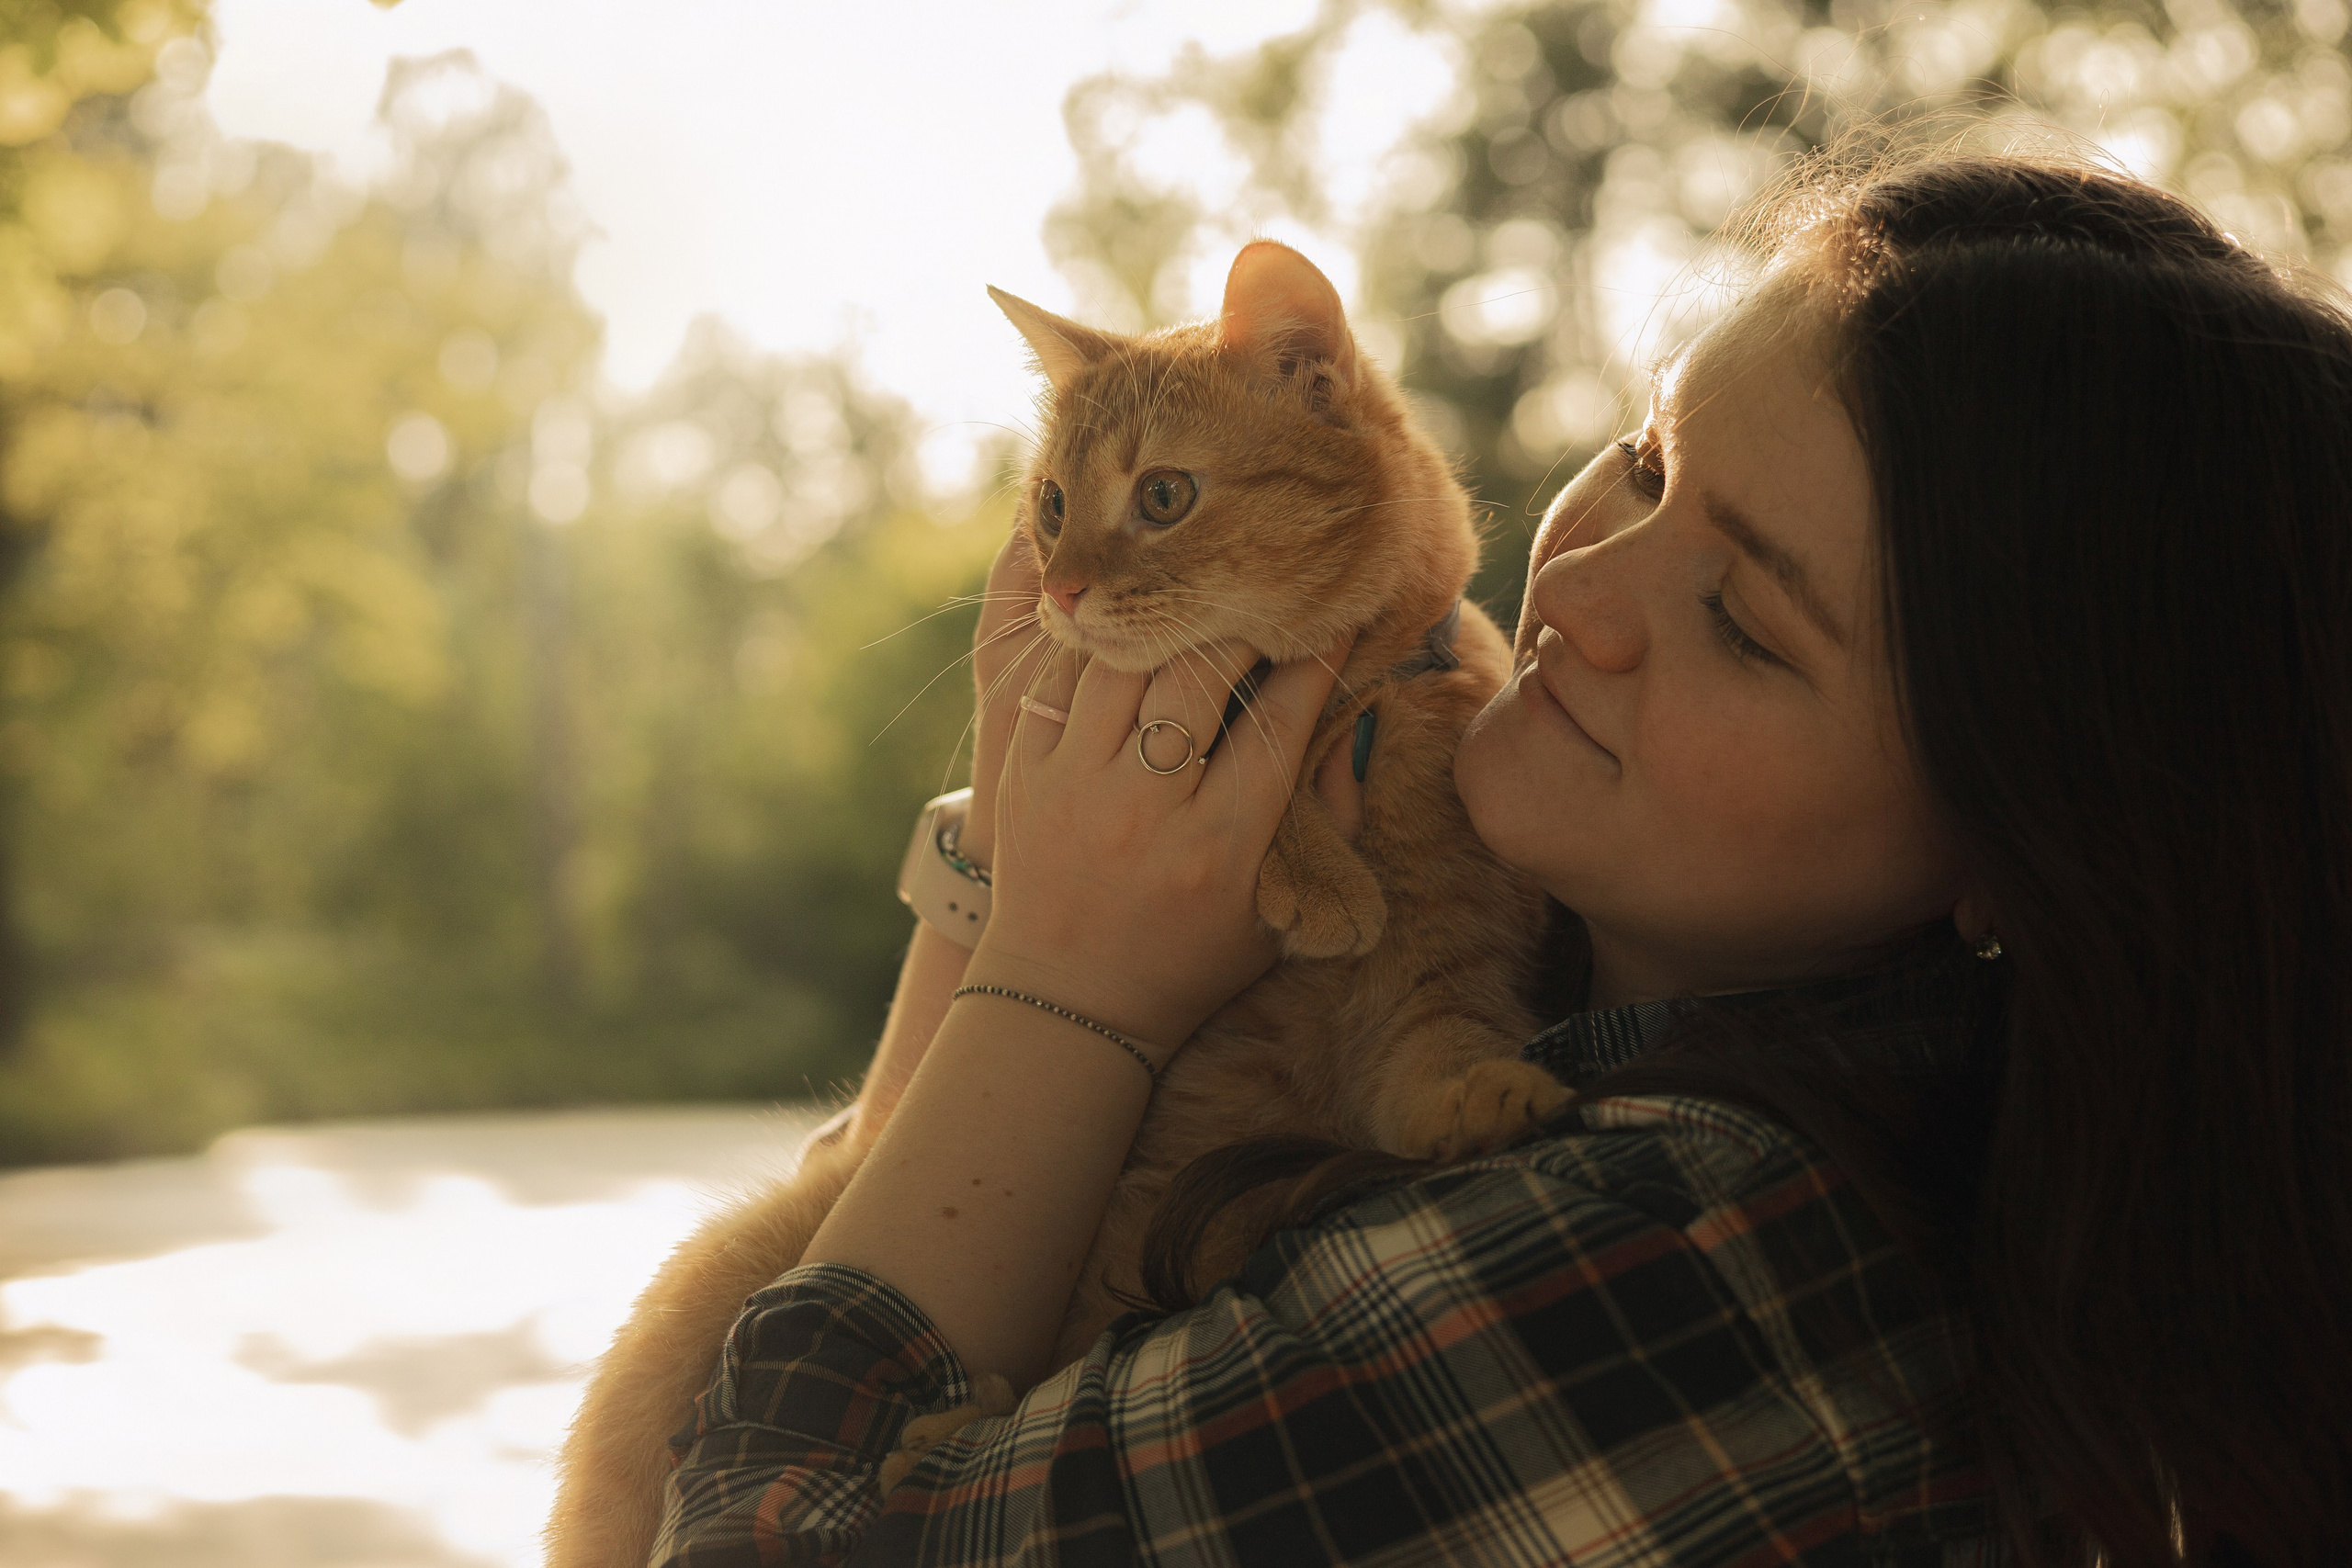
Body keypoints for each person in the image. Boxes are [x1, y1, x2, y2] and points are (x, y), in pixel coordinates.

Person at [649, 153, 2352, 1566]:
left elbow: (751, 1525)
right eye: (1648, 459)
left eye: (1746, 626)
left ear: (2026, 849)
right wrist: (1010, 874)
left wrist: (1051, 977)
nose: (1585, 591)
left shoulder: (1682, 1272)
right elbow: (892, 1181)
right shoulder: (1570, 987)